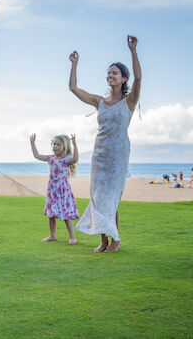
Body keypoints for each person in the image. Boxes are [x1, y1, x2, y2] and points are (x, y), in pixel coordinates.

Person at [69, 35, 141, 253]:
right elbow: (73, 88)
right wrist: (74, 64)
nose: (110, 75)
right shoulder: (100, 101)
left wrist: (133, 51)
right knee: (99, 199)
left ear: (123, 78)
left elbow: (139, 79)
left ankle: (115, 240)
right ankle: (104, 240)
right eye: (109, 72)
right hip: (99, 155)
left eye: (115, 73)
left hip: (118, 157)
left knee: (110, 199)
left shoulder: (129, 100)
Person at [30, 133, 79, 245]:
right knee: (51, 214)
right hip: (52, 190)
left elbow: (75, 159)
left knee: (66, 214)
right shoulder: (50, 158)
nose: (55, 146)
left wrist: (75, 144)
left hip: (63, 190)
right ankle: (52, 235)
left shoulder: (67, 159)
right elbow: (37, 155)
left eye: (58, 144)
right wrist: (32, 143)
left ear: (65, 147)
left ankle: (72, 237)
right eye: (54, 144)